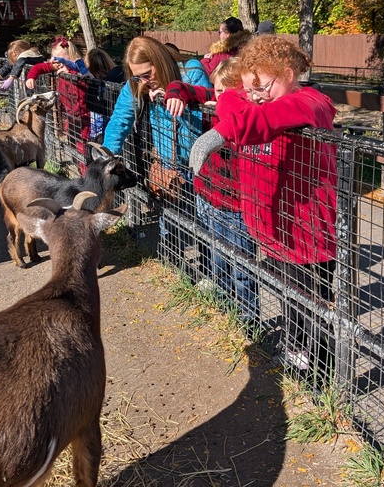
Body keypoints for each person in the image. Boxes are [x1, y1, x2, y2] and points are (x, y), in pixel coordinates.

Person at [189, 34, 337, 378]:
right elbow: (229, 102)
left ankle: (318, 374)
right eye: (248, 88)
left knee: (310, 303)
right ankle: (295, 351)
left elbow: (273, 115)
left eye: (262, 86)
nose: (254, 96)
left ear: (288, 73)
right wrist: (234, 109)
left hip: (305, 230)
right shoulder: (253, 103)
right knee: (289, 298)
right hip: (273, 227)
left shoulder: (310, 102)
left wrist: (223, 132)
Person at [164, 58, 259, 328]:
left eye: (227, 92)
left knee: (243, 268)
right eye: (217, 92)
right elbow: (184, 87)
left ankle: (247, 321)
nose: (219, 98)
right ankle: (224, 309)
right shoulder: (214, 99)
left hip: (237, 206)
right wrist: (174, 94)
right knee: (218, 260)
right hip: (209, 197)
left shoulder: (248, 117)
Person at [103, 36, 210, 265]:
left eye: (147, 73)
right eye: (138, 75)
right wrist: (106, 157)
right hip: (168, 166)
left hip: (199, 166)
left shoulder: (191, 71)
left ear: (159, 62)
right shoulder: (138, 82)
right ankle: (173, 267)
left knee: (204, 227)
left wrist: (171, 94)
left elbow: (205, 121)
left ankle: (207, 273)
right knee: (170, 224)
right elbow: (121, 118)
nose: (144, 80)